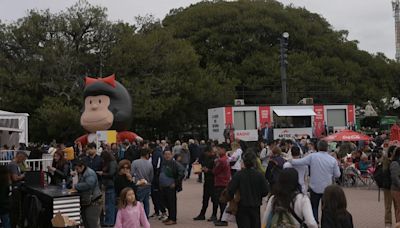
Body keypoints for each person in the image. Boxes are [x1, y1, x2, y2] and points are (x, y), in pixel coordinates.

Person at [290, 140, 341, 222]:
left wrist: (289, 161)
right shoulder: (332, 160)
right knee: (326, 209)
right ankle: (326, 224)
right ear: (327, 148)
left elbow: (299, 162)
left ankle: (315, 224)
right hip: (327, 188)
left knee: (314, 207)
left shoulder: (312, 156)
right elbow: (338, 175)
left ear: (318, 147)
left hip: (314, 187)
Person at [227, 151, 269, 228]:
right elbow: (266, 191)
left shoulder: (238, 175)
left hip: (241, 206)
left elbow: (230, 190)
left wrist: (234, 199)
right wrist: (258, 195)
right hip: (255, 205)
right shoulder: (259, 175)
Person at [159, 148, 185, 225]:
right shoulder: (163, 163)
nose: (167, 156)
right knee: (166, 202)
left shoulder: (175, 163)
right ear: (163, 155)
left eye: (168, 154)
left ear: (171, 155)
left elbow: (182, 173)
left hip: (171, 187)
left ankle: (173, 219)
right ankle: (170, 217)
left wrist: (175, 183)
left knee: (171, 203)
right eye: (165, 154)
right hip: (163, 186)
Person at [73, 160, 102, 228]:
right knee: (86, 222)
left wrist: (76, 186)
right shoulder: (82, 173)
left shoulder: (89, 173)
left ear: (82, 166)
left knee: (92, 222)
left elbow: (89, 184)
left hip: (94, 201)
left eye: (77, 169)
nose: (76, 170)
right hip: (87, 201)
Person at [193, 145, 218, 222]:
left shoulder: (216, 159)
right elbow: (200, 163)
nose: (207, 154)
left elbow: (217, 171)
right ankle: (202, 214)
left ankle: (214, 215)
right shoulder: (205, 156)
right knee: (205, 198)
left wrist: (208, 170)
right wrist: (197, 165)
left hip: (214, 181)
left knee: (214, 199)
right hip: (207, 180)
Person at [131, 148, 154, 218]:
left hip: (137, 185)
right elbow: (151, 176)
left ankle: (136, 216)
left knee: (136, 202)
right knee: (146, 202)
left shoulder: (135, 162)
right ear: (147, 155)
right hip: (147, 185)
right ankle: (145, 217)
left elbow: (132, 173)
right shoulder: (150, 164)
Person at [213, 143, 231, 226]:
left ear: (224, 150)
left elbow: (215, 171)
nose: (217, 151)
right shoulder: (226, 158)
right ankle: (222, 218)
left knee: (221, 202)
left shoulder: (221, 160)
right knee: (223, 202)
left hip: (220, 182)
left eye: (219, 149)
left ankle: (223, 220)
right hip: (225, 181)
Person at [7, 151, 27, 228]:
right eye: (23, 159)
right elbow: (15, 178)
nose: (23, 161)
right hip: (15, 189)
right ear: (20, 157)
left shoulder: (14, 164)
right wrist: (24, 175)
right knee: (15, 209)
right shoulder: (13, 165)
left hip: (14, 189)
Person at [98, 150, 118, 227]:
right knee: (109, 204)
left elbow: (111, 173)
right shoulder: (111, 162)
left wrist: (102, 174)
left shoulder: (111, 163)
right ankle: (111, 220)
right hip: (109, 185)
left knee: (110, 204)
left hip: (111, 185)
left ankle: (110, 221)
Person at [382, 145, 396, 228]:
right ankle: (388, 223)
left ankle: (396, 221)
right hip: (388, 186)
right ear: (391, 153)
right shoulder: (386, 161)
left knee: (396, 206)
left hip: (394, 186)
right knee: (388, 206)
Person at [391, 147, 400, 224]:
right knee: (399, 208)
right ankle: (398, 223)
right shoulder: (395, 163)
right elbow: (395, 177)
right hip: (397, 189)